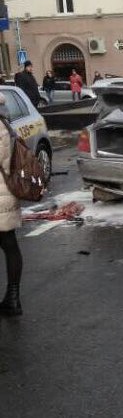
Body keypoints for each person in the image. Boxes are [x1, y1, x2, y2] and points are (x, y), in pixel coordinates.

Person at [0, 95, 23, 316]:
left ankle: (12, 298)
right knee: (9, 243)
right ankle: (13, 297)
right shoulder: (5, 121)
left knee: (8, 244)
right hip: (7, 190)